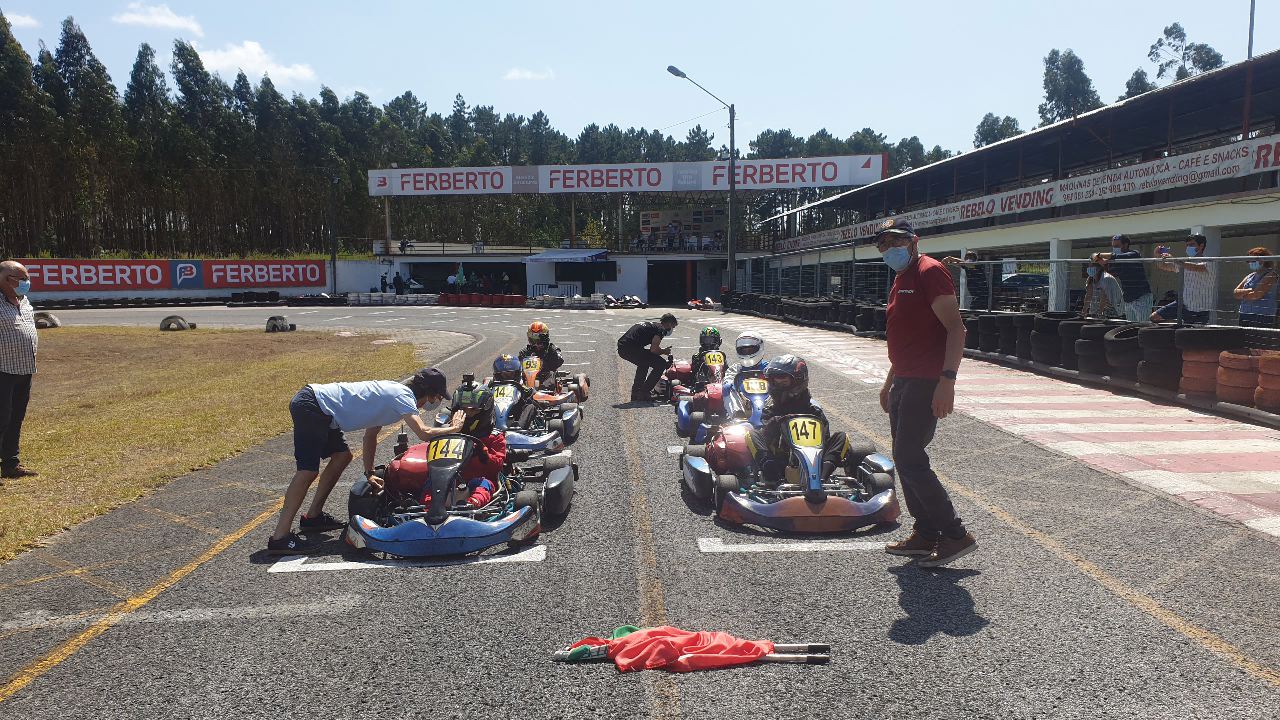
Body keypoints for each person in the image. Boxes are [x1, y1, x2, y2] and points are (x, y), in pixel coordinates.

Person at [267, 368, 458, 554]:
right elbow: (424, 433)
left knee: (342, 456)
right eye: (437, 397)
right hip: (313, 405)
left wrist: (370, 473)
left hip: (321, 408)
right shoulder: (403, 397)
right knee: (307, 471)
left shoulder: (393, 396)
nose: (435, 402)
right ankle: (280, 537)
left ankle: (312, 517)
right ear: (429, 394)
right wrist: (454, 428)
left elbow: (370, 436)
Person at [874, 218, 975, 568]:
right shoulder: (901, 277)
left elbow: (955, 329)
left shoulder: (929, 272)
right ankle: (925, 533)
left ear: (914, 241)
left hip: (926, 381)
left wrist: (947, 381)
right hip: (905, 379)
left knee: (911, 459)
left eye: (897, 241)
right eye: (884, 244)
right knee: (904, 459)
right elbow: (907, 339)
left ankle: (955, 534)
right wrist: (890, 382)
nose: (890, 249)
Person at [752, 356, 853, 490]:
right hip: (781, 460)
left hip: (813, 459)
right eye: (775, 380)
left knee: (842, 437)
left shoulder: (813, 409)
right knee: (751, 434)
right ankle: (773, 478)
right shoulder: (771, 409)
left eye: (783, 380)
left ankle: (821, 479)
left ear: (798, 380)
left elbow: (825, 438)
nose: (777, 385)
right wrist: (776, 423)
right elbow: (765, 436)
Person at [416, 381, 506, 509]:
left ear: (484, 410)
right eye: (463, 409)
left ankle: (470, 506)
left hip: (479, 478)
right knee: (431, 483)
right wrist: (452, 432)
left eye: (473, 410)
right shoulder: (446, 432)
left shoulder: (494, 436)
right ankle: (428, 508)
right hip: (448, 477)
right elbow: (432, 455)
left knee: (482, 485)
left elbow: (497, 466)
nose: (467, 414)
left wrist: (482, 453)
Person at [0, 261, 38, 481]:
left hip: (24, 369)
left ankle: (11, 464)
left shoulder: (24, 301)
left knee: (16, 417)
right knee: (1, 418)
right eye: (22, 279)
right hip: (3, 370)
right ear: (7, 279)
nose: (26, 283)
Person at [1152, 234, 1217, 324]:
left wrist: (1174, 259)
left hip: (1199, 309)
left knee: (1192, 334)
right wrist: (1157, 255)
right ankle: (1178, 324)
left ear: (1201, 246)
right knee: (1154, 317)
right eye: (1187, 245)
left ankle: (1180, 324)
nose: (1188, 247)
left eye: (1191, 244)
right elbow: (1164, 266)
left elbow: (1196, 267)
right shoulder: (1184, 262)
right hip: (1182, 304)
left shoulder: (1209, 261)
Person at [617, 313, 677, 402]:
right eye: (673, 327)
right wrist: (664, 351)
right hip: (629, 348)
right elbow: (654, 350)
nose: (672, 329)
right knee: (661, 364)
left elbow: (652, 350)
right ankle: (644, 392)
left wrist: (661, 351)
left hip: (624, 347)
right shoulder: (661, 330)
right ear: (669, 324)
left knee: (644, 362)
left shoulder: (653, 325)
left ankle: (636, 393)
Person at [1093, 234, 1152, 321]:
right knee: (1130, 327)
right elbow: (1112, 272)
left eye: (1117, 246)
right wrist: (1102, 263)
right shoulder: (1116, 261)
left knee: (1143, 326)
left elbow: (1115, 256)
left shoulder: (1134, 254)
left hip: (1141, 297)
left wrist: (1098, 255)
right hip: (1128, 298)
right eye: (1113, 246)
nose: (1114, 248)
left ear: (1126, 245)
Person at [1234, 246, 1278, 328]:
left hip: (1262, 316)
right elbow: (1236, 293)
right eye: (1249, 261)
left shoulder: (1271, 275)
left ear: (1263, 260)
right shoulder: (1250, 276)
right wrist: (1249, 290)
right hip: (1245, 314)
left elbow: (1256, 295)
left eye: (1253, 260)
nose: (1250, 262)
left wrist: (1243, 293)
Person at [518, 321, 565, 386]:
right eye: (533, 339)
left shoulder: (552, 349)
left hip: (546, 377)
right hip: (528, 379)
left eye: (538, 339)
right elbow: (519, 366)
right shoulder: (525, 351)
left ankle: (547, 390)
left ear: (545, 338)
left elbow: (559, 361)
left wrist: (544, 363)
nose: (536, 342)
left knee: (550, 375)